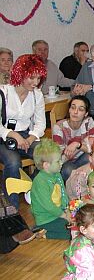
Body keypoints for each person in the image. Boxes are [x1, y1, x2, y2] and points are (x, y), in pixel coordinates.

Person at [0, 54, 47, 208]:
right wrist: (13, 134)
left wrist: (31, 138)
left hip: (27, 135)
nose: (36, 83)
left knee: (48, 157)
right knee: (13, 163)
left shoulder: (37, 95)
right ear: (20, 74)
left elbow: (40, 124)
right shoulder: (4, 93)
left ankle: (32, 188)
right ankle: (11, 207)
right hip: (3, 136)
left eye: (38, 78)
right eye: (32, 78)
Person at [52, 95, 94, 181]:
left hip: (82, 158)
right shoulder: (59, 126)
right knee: (69, 171)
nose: (75, 112)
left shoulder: (88, 122)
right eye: (73, 108)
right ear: (69, 110)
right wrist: (84, 146)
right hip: (65, 162)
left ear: (86, 113)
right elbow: (60, 156)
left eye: (81, 109)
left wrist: (77, 144)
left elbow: (92, 148)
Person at [31, 139, 71, 239]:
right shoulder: (40, 181)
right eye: (58, 161)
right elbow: (48, 205)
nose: (61, 163)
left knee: (80, 225)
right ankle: (42, 232)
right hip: (47, 219)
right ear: (46, 165)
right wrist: (63, 215)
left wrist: (67, 209)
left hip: (59, 214)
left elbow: (63, 193)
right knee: (70, 233)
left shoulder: (57, 175)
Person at [71, 43, 94, 129]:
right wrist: (76, 91)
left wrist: (91, 87)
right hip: (86, 110)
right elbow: (75, 85)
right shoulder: (86, 67)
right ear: (93, 58)